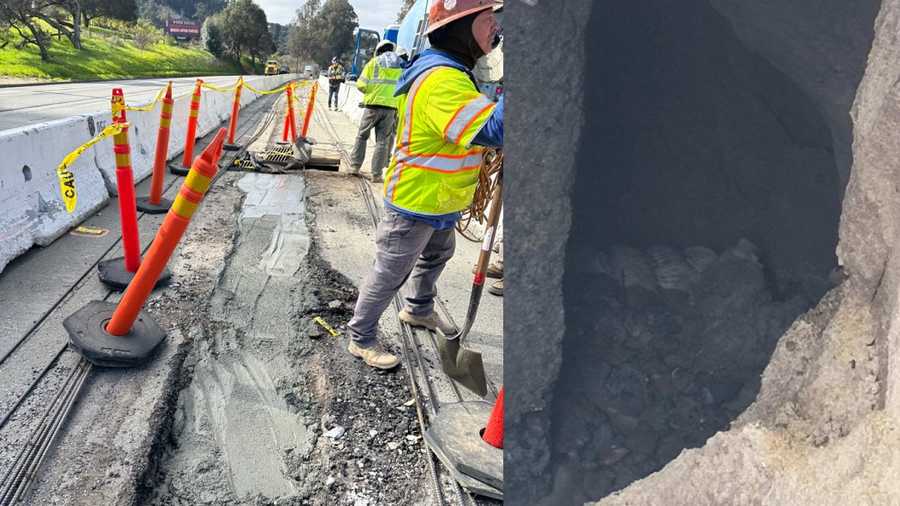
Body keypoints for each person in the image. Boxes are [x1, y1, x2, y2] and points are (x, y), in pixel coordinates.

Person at [346, 0, 504, 369]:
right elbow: (491, 129)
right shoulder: (441, 80)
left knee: (438, 254)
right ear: (460, 28)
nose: (496, 29)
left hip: (440, 201)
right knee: (391, 272)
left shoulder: (455, 73)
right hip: (417, 201)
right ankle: (361, 336)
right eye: (487, 21)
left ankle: (418, 309)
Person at [349, 40, 404, 183]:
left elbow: (361, 85)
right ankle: (376, 175)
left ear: (379, 50)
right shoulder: (401, 66)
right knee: (382, 142)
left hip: (372, 107)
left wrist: (372, 92)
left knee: (362, 136)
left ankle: (355, 167)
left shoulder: (373, 63)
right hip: (391, 109)